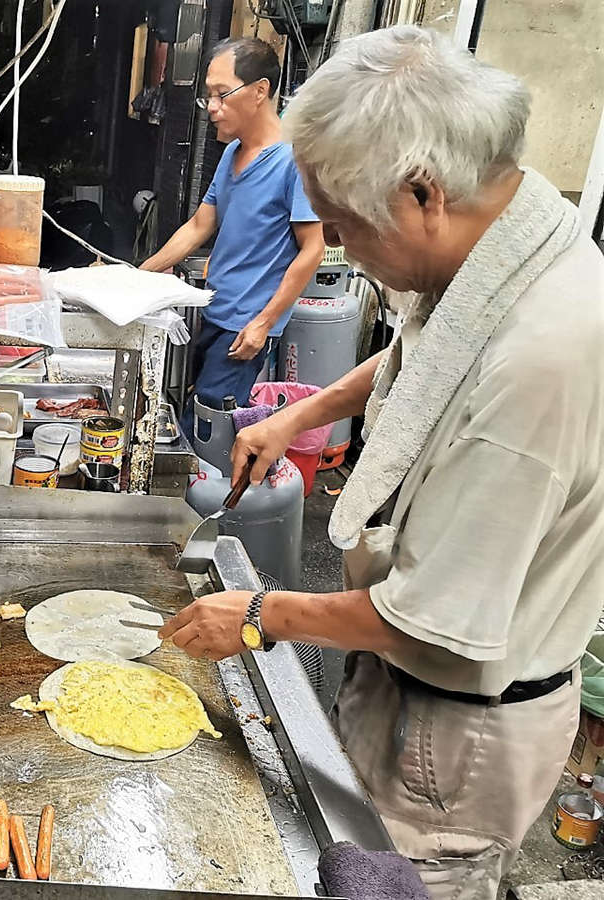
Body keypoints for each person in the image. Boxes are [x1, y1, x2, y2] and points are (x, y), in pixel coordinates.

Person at [158, 26, 604, 899]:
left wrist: (258, 613)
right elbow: (425, 348)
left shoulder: (543, 364)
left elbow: (430, 622)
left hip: (455, 737)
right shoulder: (504, 228)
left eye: (346, 226)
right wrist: (312, 411)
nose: (336, 247)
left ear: (423, 192)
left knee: (399, 881)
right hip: (410, 694)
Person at [140, 37, 324, 425]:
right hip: (213, 310)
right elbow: (199, 225)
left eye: (222, 95)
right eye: (208, 95)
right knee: (191, 413)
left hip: (244, 328)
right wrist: (139, 276)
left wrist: (264, 323)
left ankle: (210, 485)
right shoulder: (231, 154)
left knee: (207, 426)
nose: (212, 108)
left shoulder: (295, 161)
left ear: (260, 91)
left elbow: (313, 250)